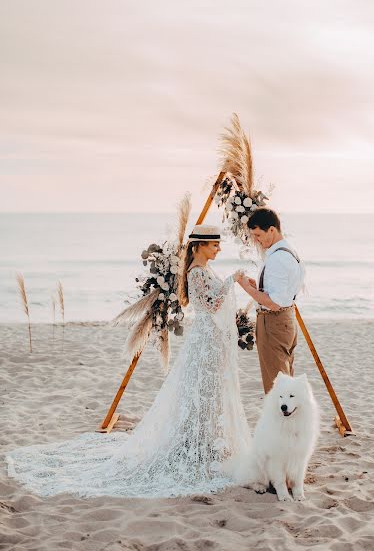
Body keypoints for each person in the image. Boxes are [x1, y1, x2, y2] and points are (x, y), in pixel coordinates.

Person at [6, 224, 251, 498]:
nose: (218, 249)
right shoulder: (195, 273)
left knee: (209, 390)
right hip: (205, 340)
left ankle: (206, 440)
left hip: (211, 340)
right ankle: (195, 443)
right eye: (214, 244)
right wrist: (233, 280)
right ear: (200, 246)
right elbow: (213, 305)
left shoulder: (205, 270)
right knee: (200, 388)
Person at [236, 208, 305, 395]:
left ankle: (282, 423)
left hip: (273, 322)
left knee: (277, 387)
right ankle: (289, 423)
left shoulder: (278, 258)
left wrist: (247, 288)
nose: (257, 240)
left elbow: (274, 303)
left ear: (272, 230)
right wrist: (258, 288)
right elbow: (282, 295)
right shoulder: (290, 252)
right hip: (286, 319)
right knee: (286, 382)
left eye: (258, 234)